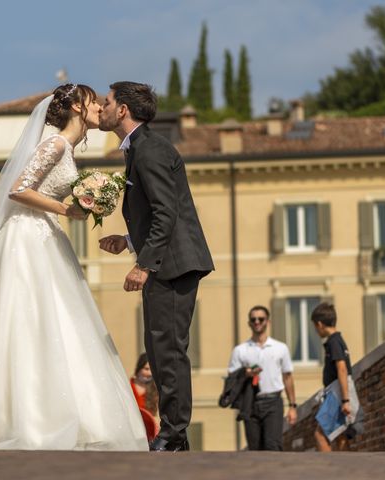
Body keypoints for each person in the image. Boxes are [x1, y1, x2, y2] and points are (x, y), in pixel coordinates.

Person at [0, 84, 148, 451]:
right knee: (29, 319)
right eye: (94, 102)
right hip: (27, 239)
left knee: (55, 321)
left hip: (45, 236)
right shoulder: (56, 144)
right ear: (78, 106)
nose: (99, 108)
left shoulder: (67, 148)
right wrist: (66, 209)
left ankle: (59, 411)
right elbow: (17, 189)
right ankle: (24, 418)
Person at [98, 81, 214, 452]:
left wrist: (144, 265)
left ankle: (174, 434)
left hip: (174, 266)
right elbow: (160, 214)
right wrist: (130, 242)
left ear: (123, 110)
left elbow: (167, 212)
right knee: (160, 348)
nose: (102, 107)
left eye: (107, 102)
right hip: (168, 262)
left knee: (169, 350)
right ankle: (173, 434)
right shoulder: (142, 148)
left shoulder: (148, 149)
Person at [227, 305, 297, 451]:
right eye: (253, 319)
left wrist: (292, 406)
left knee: (272, 446)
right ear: (249, 323)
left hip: (273, 402)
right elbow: (231, 378)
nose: (257, 322)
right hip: (250, 403)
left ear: (268, 322)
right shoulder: (240, 350)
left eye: (261, 319)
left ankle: (275, 474)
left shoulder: (280, 348)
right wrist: (245, 373)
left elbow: (288, 377)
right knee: (254, 448)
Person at [311, 302, 359, 452]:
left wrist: (345, 401)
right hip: (339, 392)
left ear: (319, 324)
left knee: (320, 435)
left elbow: (342, 369)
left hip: (337, 394)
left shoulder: (333, 342)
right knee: (341, 436)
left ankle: (328, 471)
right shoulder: (338, 340)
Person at [130, 353, 159, 441]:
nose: (149, 373)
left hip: (147, 435)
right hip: (130, 431)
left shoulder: (156, 390)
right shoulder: (127, 387)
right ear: (139, 368)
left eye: (152, 370)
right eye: (146, 369)